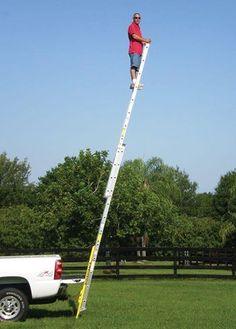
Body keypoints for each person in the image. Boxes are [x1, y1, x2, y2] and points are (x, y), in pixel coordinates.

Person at [128, 13, 151, 90]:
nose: (137, 19)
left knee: (138, 68)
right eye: (136, 17)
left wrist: (143, 42)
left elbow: (138, 39)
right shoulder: (132, 26)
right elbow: (134, 36)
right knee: (134, 66)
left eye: (139, 18)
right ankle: (134, 82)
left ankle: (136, 81)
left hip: (140, 51)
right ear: (133, 18)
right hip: (134, 50)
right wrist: (144, 39)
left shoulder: (138, 28)